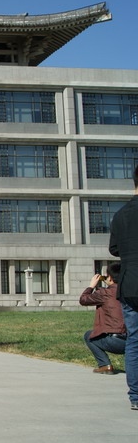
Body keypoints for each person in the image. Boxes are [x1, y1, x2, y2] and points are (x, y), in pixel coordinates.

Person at [109, 164, 138, 410]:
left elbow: (114, 249)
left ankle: (136, 396)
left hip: (129, 285)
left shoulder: (120, 214)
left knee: (134, 341)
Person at [79, 263, 126, 375]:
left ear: (109, 277)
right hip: (133, 340)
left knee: (89, 336)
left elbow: (83, 300)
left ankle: (105, 365)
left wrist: (91, 286)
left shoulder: (105, 293)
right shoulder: (130, 291)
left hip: (115, 341)